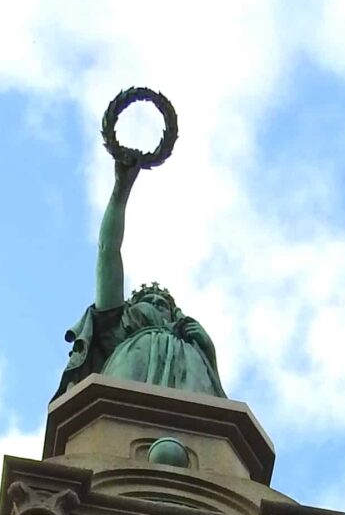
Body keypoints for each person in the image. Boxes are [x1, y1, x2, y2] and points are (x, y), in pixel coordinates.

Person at [56, 145, 225, 399]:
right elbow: (108, 250)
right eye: (150, 300)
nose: (157, 304)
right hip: (129, 369)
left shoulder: (188, 341)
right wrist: (120, 191)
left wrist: (207, 349)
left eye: (163, 304)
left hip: (189, 373)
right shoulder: (119, 326)